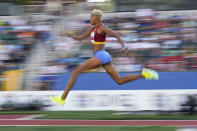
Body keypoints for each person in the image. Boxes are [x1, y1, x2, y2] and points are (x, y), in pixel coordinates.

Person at [50, 9, 159, 105]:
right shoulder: (91, 29)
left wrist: (124, 46)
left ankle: (62, 98)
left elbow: (115, 34)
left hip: (101, 55)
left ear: (96, 17)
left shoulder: (101, 27)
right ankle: (144, 74)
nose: (90, 19)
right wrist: (68, 35)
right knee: (119, 81)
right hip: (104, 56)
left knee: (75, 71)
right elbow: (79, 38)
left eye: (91, 17)